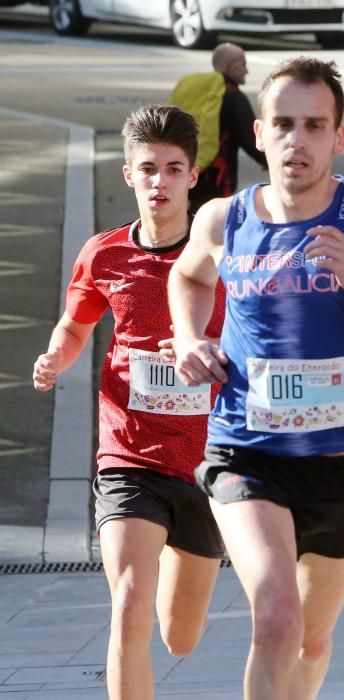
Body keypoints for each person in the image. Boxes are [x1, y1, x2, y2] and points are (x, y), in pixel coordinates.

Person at [167, 57, 344, 699]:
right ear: (260, 134)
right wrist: (190, 335)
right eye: (284, 124)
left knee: (310, 639)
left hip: (340, 464)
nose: (299, 140)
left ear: (338, 137)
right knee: (275, 615)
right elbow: (187, 274)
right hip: (246, 451)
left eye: (315, 125)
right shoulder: (223, 219)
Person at [32, 105, 226, 699]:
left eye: (173, 169)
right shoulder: (105, 253)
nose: (160, 182)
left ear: (194, 176)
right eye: (148, 169)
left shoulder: (225, 256)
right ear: (129, 176)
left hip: (209, 463)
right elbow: (75, 324)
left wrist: (208, 348)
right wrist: (55, 357)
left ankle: (175, 549)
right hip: (128, 457)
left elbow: (267, 339)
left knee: (181, 636)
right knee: (130, 606)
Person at [170, 42, 266, 213]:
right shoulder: (233, 97)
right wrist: (271, 160)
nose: (247, 70)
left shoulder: (194, 90)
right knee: (211, 228)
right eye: (243, 64)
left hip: (184, 172)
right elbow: (252, 140)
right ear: (231, 66)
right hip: (215, 181)